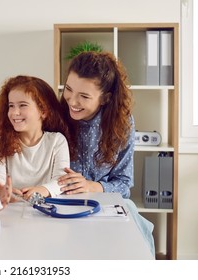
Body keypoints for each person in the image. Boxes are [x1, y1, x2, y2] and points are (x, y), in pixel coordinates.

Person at [57, 51, 155, 257]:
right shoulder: (56, 115)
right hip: (61, 203)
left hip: (104, 204)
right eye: (68, 89)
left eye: (84, 96)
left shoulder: (122, 123)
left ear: (105, 98)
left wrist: (92, 186)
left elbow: (124, 183)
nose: (72, 101)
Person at [0, 75, 70, 201]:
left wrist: (43, 190)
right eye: (11, 106)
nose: (14, 113)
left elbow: (61, 180)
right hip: (11, 209)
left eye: (22, 105)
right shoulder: (1, 142)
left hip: (47, 208)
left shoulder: (57, 141)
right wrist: (5, 191)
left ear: (43, 111)